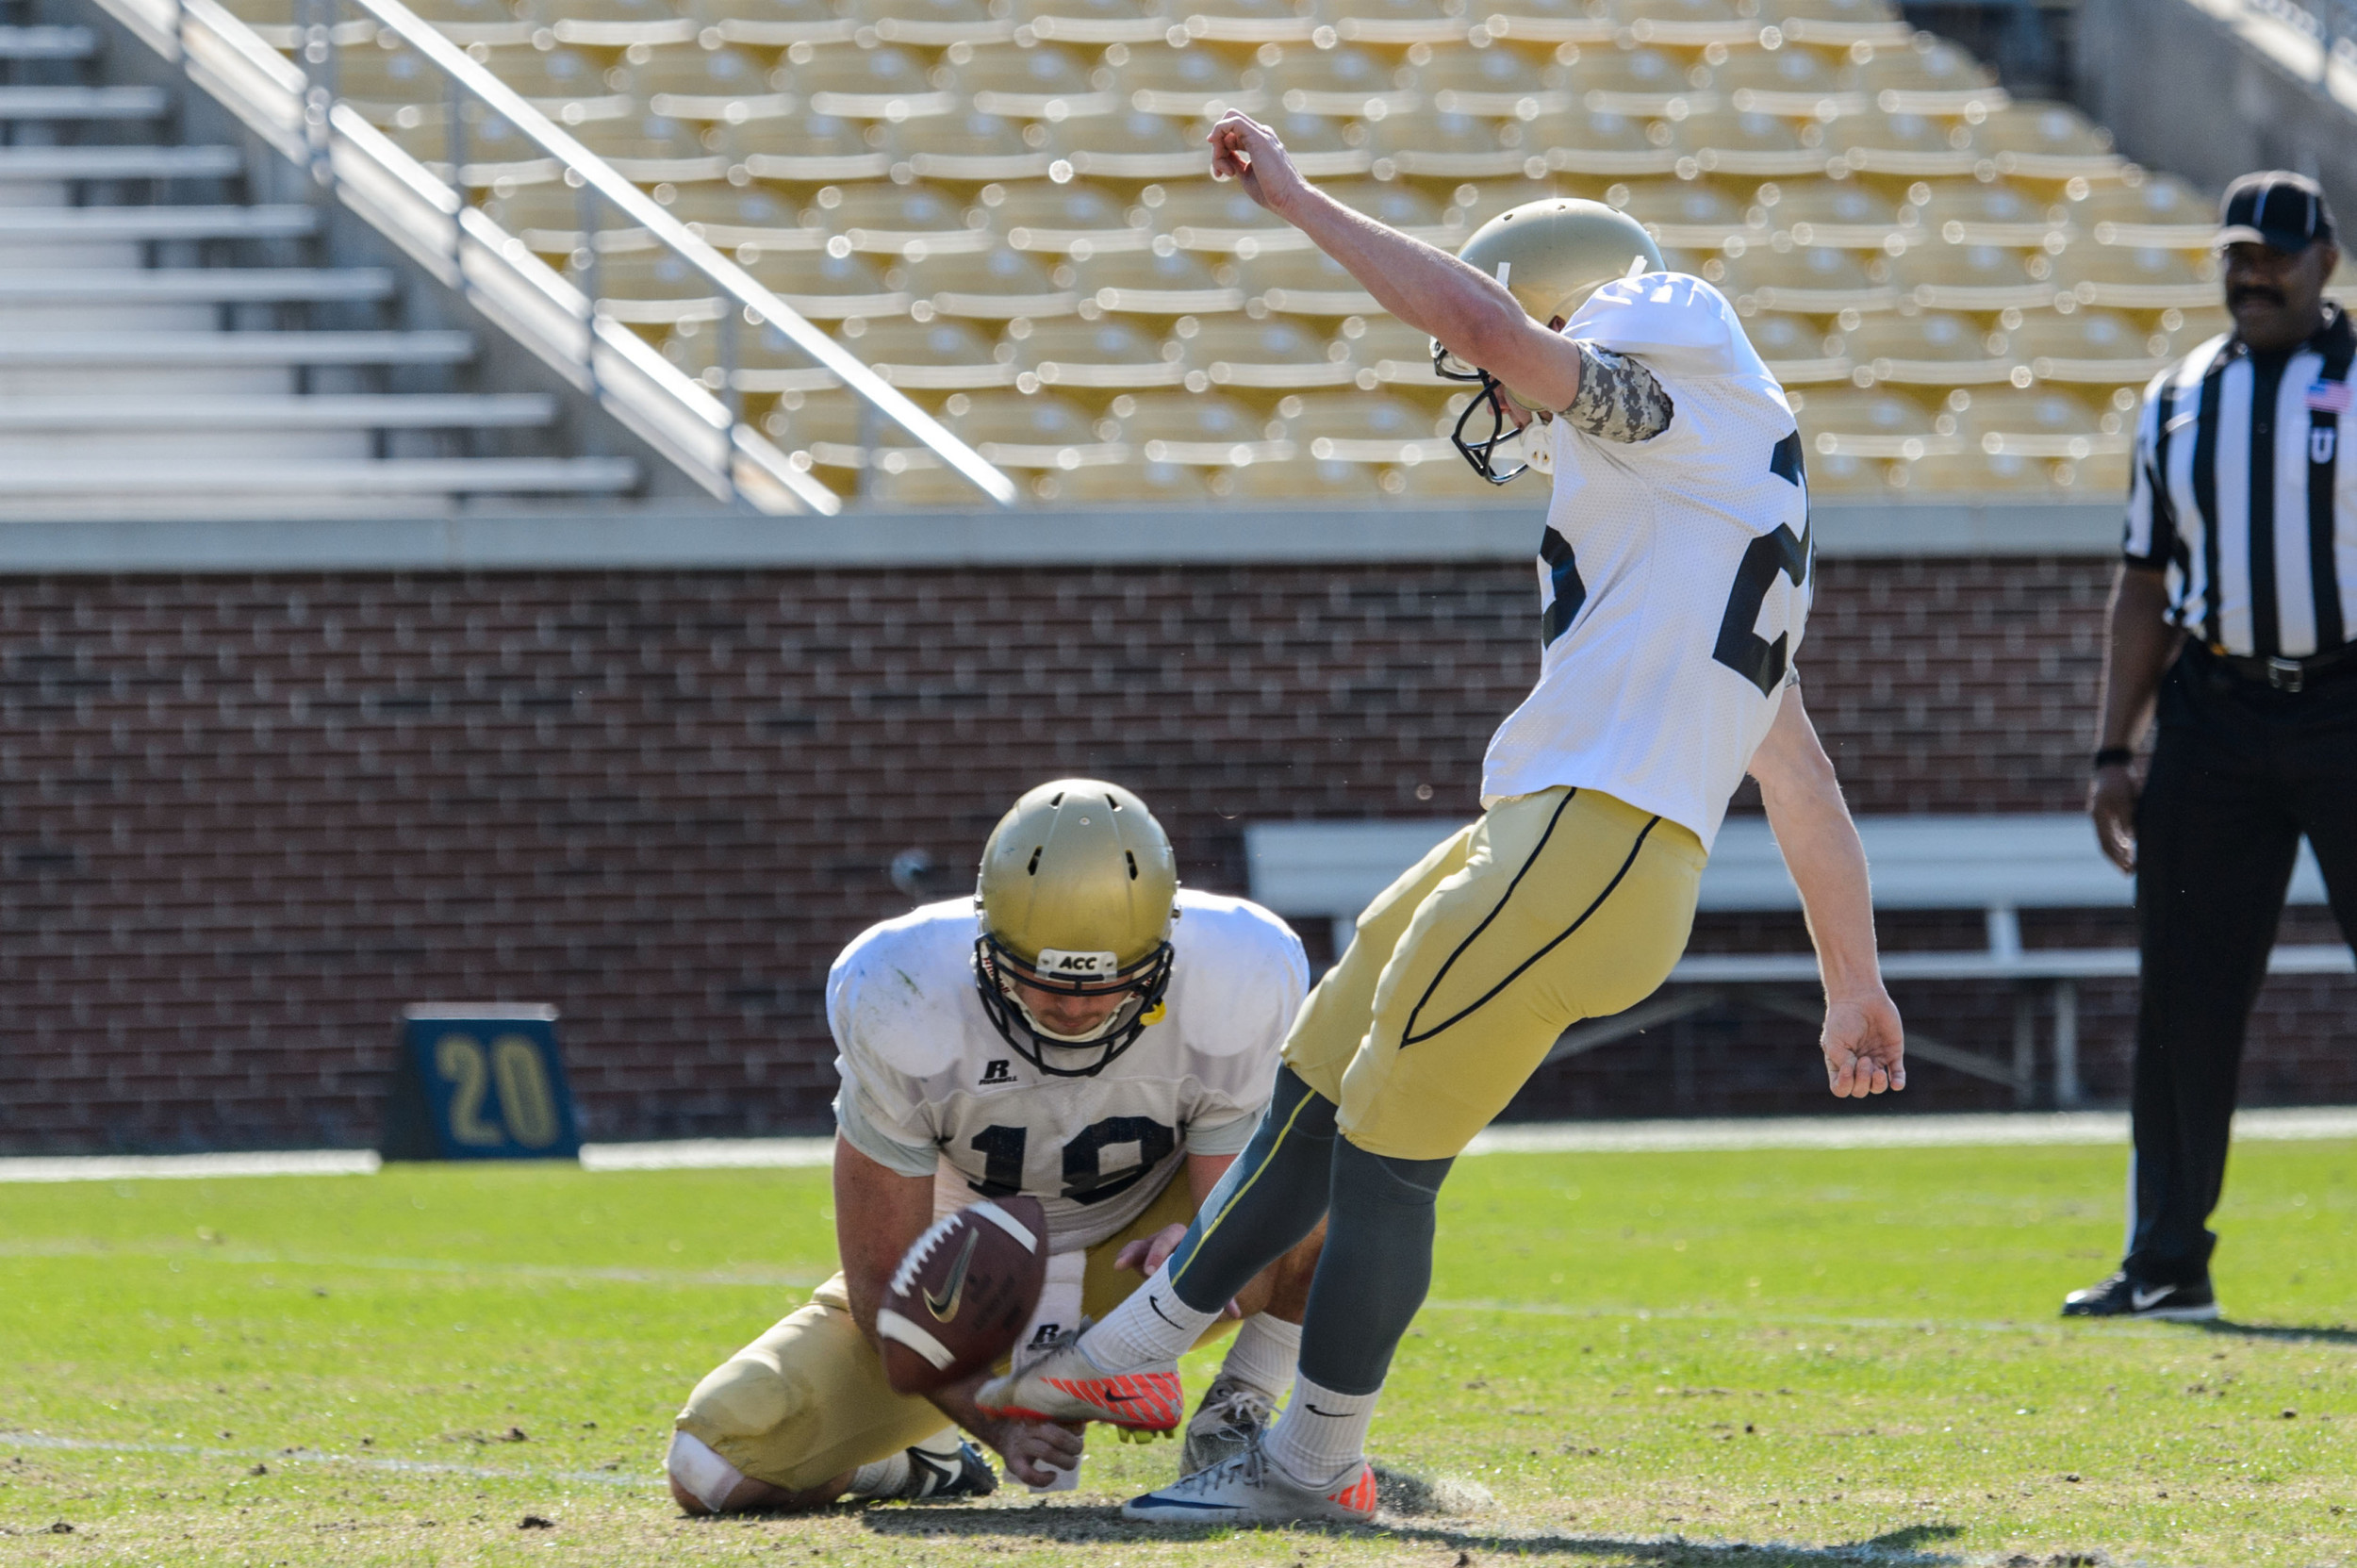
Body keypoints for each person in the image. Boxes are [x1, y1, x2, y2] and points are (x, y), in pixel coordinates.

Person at [976, 112, 1908, 1527]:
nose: (1489, 389)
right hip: (1570, 839)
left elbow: (1490, 323)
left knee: (1388, 1142)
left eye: (1504, 358)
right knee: (1327, 1054)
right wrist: (1853, 982)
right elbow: (1799, 775)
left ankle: (1310, 1462)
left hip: (1590, 843)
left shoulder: (1669, 337)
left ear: (1572, 308)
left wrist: (1299, 202)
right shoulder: (1699, 498)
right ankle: (1120, 1358)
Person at [665, 778, 1323, 1510]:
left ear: (1164, 946)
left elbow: (1258, 1258)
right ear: (986, 938)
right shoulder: (900, 987)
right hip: (965, 1282)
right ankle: (918, 1464)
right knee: (713, 1465)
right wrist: (994, 1417)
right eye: (1040, 978)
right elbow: (883, 1278)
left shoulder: (1240, 972)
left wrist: (1202, 1253)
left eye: (1111, 983)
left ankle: (1239, 1420)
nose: (1073, 1007)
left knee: (1328, 1139)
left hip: (1139, 1256)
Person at [2069, 170, 2357, 1323]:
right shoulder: (2178, 396)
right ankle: (2165, 1258)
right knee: (2181, 988)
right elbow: (2144, 581)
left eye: (2276, 255)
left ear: (2324, 260)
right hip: (2216, 711)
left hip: (2349, 701)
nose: (2254, 274)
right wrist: (2112, 750)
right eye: (2239, 255)